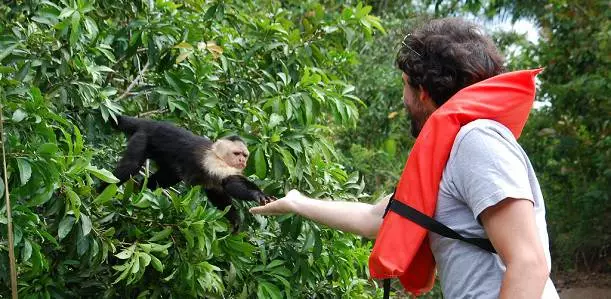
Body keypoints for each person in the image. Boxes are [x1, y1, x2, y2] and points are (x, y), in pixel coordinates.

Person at [250, 17, 558, 298]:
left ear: (422, 91)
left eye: (404, 86)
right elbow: (374, 217)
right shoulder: (454, 149)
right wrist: (297, 202)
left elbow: (529, 263)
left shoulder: (476, 141)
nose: (403, 98)